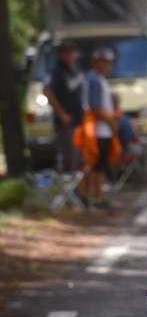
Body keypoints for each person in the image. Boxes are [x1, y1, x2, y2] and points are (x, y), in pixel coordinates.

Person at [42, 40, 85, 173]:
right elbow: (47, 91)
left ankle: (80, 191)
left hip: (81, 121)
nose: (69, 55)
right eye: (65, 52)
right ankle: (68, 190)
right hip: (67, 123)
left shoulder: (78, 69)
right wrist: (62, 114)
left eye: (71, 52)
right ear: (60, 55)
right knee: (70, 158)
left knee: (82, 158)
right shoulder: (56, 71)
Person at [84, 47, 119, 210]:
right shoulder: (94, 80)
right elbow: (96, 108)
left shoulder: (100, 80)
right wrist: (111, 122)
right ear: (95, 63)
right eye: (103, 62)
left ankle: (95, 196)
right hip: (98, 130)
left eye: (109, 62)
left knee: (100, 164)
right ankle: (93, 197)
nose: (107, 66)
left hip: (103, 130)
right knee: (95, 165)